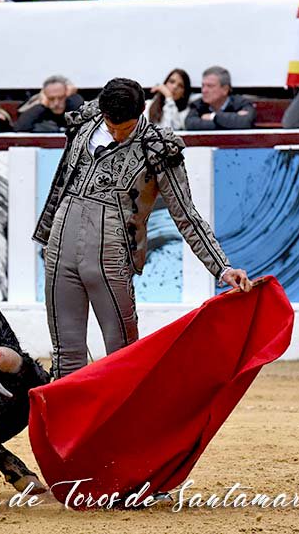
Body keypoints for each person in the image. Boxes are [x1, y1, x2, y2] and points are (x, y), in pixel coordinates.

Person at [34, 77, 252, 379]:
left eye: (123, 128)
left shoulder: (157, 147)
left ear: (141, 115)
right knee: (66, 353)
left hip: (110, 251)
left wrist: (221, 268)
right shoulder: (85, 122)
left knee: (123, 353)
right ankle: (69, 426)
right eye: (110, 125)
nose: (114, 132)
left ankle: (125, 425)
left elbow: (185, 213)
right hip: (61, 243)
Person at [185, 66, 256, 130]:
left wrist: (213, 116)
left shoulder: (241, 103)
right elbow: (190, 124)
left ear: (225, 89)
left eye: (210, 86)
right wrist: (229, 123)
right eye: (203, 86)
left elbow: (245, 122)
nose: (204, 90)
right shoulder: (198, 104)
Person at [15, 75, 84, 133]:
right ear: (44, 96)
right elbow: (20, 128)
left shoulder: (74, 103)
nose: (56, 103)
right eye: (51, 99)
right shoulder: (39, 109)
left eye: (60, 98)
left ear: (66, 94)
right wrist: (42, 105)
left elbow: (83, 124)